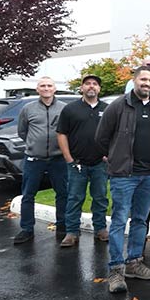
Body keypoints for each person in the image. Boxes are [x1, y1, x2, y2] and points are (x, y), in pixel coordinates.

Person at [96, 67, 150, 293]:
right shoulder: (118, 106)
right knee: (118, 221)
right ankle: (116, 270)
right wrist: (116, 158)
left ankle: (134, 263)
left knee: (140, 220)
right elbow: (101, 137)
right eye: (143, 79)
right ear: (134, 81)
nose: (147, 83)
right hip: (123, 176)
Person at [14, 77, 68, 245]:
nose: (46, 88)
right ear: (37, 89)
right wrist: (34, 144)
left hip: (58, 158)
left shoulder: (64, 109)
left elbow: (68, 132)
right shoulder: (28, 108)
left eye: (49, 85)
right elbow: (22, 131)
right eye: (42, 86)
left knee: (63, 193)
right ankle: (27, 229)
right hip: (34, 158)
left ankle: (62, 226)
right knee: (28, 194)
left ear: (54, 89)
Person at [57, 75, 109, 247]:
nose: (91, 86)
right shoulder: (70, 109)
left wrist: (109, 154)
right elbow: (61, 134)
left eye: (95, 84)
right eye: (87, 84)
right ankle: (71, 232)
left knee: (100, 198)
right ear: (82, 88)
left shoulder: (107, 109)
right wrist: (69, 158)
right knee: (74, 198)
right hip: (77, 163)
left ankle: (100, 229)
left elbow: (114, 134)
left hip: (100, 163)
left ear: (99, 89)